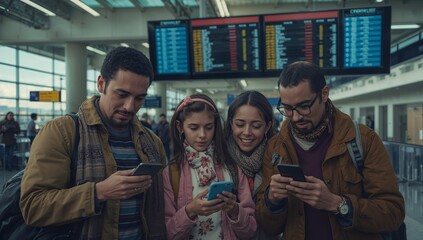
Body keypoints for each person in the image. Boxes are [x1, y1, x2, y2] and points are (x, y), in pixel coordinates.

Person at [20, 47, 168, 239]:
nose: (130, 106)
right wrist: (98, 193)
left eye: (139, 98)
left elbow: (157, 212)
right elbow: (33, 206)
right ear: (101, 84)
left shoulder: (151, 142)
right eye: (121, 94)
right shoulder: (62, 132)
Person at [255, 61, 405, 240]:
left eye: (304, 106)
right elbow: (268, 227)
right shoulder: (275, 147)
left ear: (324, 94)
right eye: (287, 108)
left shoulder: (364, 140)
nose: (295, 117)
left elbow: (393, 212)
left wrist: (338, 204)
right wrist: (272, 201)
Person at [162, 94, 257, 240]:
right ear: (179, 127)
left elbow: (250, 230)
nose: (202, 135)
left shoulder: (232, 167)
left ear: (216, 126)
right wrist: (190, 211)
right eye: (194, 128)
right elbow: (167, 233)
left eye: (209, 127)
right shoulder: (171, 173)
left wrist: (234, 210)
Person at [224, 90, 277, 239]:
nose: (247, 132)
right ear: (231, 124)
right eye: (240, 124)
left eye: (256, 126)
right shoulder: (217, 160)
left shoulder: (277, 161)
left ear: (267, 127)